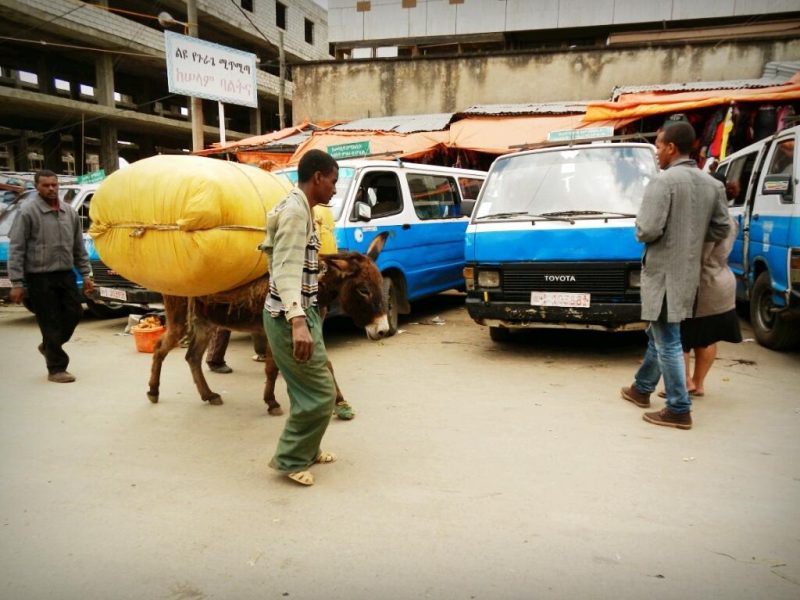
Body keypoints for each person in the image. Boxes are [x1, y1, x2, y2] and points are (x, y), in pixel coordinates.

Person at [620, 122, 730, 430]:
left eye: (658, 146)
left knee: (667, 338)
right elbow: (722, 227)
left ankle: (679, 408)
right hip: (688, 274)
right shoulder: (712, 184)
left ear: (671, 148)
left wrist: (671, 235)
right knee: (659, 332)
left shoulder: (663, 182)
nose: (656, 152)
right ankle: (641, 389)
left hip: (664, 272)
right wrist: (692, 237)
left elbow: (647, 230)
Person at [261, 149, 339, 486]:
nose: (335, 189)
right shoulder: (294, 212)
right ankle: (291, 458)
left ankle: (308, 448)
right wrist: (297, 322)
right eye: (333, 182)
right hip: (288, 315)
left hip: (302, 310)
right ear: (318, 177)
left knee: (304, 389)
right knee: (321, 392)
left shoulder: (301, 208)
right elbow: (284, 269)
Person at [7, 169, 95, 383]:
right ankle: (56, 368)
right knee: (50, 321)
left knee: (75, 312)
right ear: (37, 187)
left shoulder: (69, 212)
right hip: (39, 277)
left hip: (65, 274)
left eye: (54, 185)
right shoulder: (28, 212)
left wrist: (87, 274)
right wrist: (17, 282)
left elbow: (78, 248)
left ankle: (48, 345)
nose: (51, 189)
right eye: (46, 185)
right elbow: (17, 248)